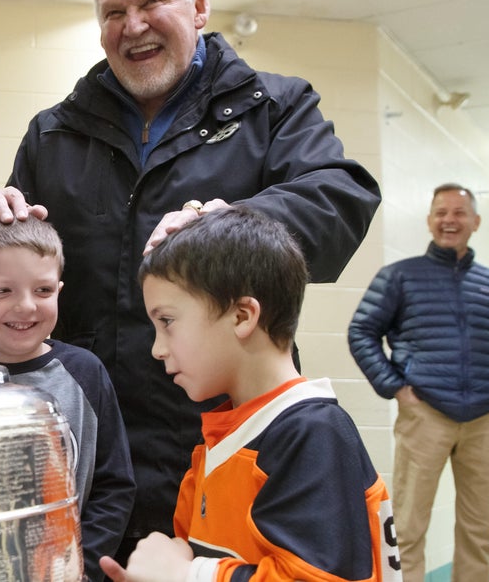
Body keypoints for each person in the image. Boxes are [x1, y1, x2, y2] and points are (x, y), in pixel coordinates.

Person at [0, 0, 382, 558]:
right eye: (114, 12)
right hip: (90, 446)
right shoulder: (52, 134)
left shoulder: (275, 107)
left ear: (199, 8)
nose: (133, 25)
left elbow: (342, 201)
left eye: (152, 2)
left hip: (224, 437)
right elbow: (22, 267)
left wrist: (235, 225)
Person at [101, 207, 400, 581]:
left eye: (167, 322)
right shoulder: (223, 436)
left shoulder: (312, 434)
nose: (157, 349)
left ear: (242, 316)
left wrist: (187, 574)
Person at [348, 183, 489, 582]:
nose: (449, 220)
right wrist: (395, 387)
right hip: (425, 414)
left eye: (459, 213)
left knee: (479, 529)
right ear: (430, 219)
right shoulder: (398, 277)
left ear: (475, 222)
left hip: (488, 417)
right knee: (408, 527)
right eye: (441, 212)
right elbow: (362, 331)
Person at [0, 217, 136, 581]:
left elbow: (113, 486)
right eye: (1, 292)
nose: (26, 307)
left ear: (59, 289)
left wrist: (78, 568)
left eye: (42, 291)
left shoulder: (85, 372)